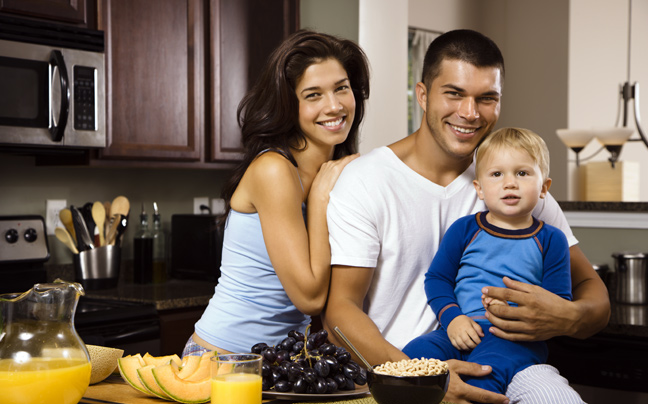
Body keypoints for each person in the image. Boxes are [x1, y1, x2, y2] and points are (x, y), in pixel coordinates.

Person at [323, 29, 609, 404]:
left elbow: (595, 296)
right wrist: (421, 381)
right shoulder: (367, 181)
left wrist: (567, 317)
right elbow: (340, 314)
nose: (470, 113)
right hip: (403, 366)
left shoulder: (513, 183)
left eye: (486, 98)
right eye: (454, 93)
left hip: (514, 362)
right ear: (423, 95)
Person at [181, 30, 370, 356]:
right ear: (288, 104)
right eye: (313, 95)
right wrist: (320, 200)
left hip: (283, 364)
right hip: (222, 361)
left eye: (341, 88)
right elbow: (309, 298)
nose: (334, 105)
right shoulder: (274, 170)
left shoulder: (338, 170)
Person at [402, 127, 573, 398]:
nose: (510, 183)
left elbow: (558, 302)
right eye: (497, 174)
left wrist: (514, 311)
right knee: (413, 357)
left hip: (515, 340)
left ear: (544, 188)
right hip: (459, 329)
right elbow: (437, 279)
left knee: (483, 376)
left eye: (522, 173)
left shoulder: (552, 239)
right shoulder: (464, 230)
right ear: (479, 189)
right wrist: (453, 319)